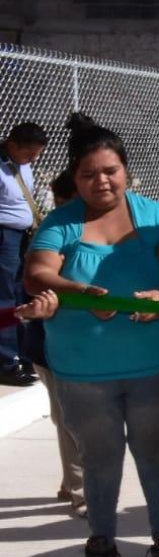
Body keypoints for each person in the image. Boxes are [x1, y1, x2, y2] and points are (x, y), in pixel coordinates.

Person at [25, 112, 159, 557]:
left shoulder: (154, 215)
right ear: (74, 179)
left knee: (155, 454)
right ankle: (102, 541)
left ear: (126, 171)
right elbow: (38, 273)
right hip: (83, 373)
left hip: (157, 366)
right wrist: (79, 293)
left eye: (110, 171)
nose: (101, 181)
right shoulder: (61, 223)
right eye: (88, 174)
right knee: (99, 460)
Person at [26, 169, 86, 518]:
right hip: (52, 349)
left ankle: (70, 481)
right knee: (69, 421)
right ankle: (82, 495)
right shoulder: (49, 239)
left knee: (71, 419)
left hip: (87, 348)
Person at [0, 121, 46, 387]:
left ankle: (23, 352)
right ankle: (5, 362)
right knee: (5, 296)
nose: (32, 160)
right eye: (29, 154)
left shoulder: (22, 164)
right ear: (12, 144)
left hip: (21, 237)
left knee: (21, 293)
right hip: (4, 235)